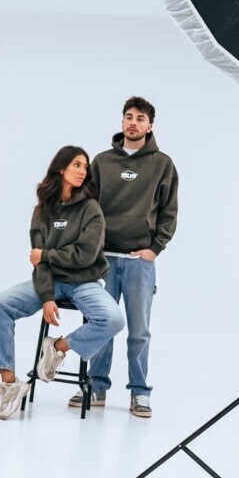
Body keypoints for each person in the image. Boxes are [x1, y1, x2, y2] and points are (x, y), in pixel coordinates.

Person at [0, 146, 123, 420]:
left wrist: (46, 254)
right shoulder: (42, 211)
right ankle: (10, 385)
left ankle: (56, 348)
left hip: (85, 282)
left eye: (85, 167)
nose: (83, 171)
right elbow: (40, 265)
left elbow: (85, 255)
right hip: (51, 282)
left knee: (113, 319)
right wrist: (47, 297)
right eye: (77, 165)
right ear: (61, 168)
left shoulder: (91, 209)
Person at [83, 96, 179, 419]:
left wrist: (155, 249)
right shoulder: (102, 162)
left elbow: (169, 213)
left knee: (139, 331)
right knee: (100, 325)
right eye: (128, 116)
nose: (133, 122)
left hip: (140, 263)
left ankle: (140, 393)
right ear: (122, 121)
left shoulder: (162, 165)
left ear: (150, 126)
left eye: (140, 118)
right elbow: (86, 208)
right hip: (103, 261)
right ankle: (96, 388)